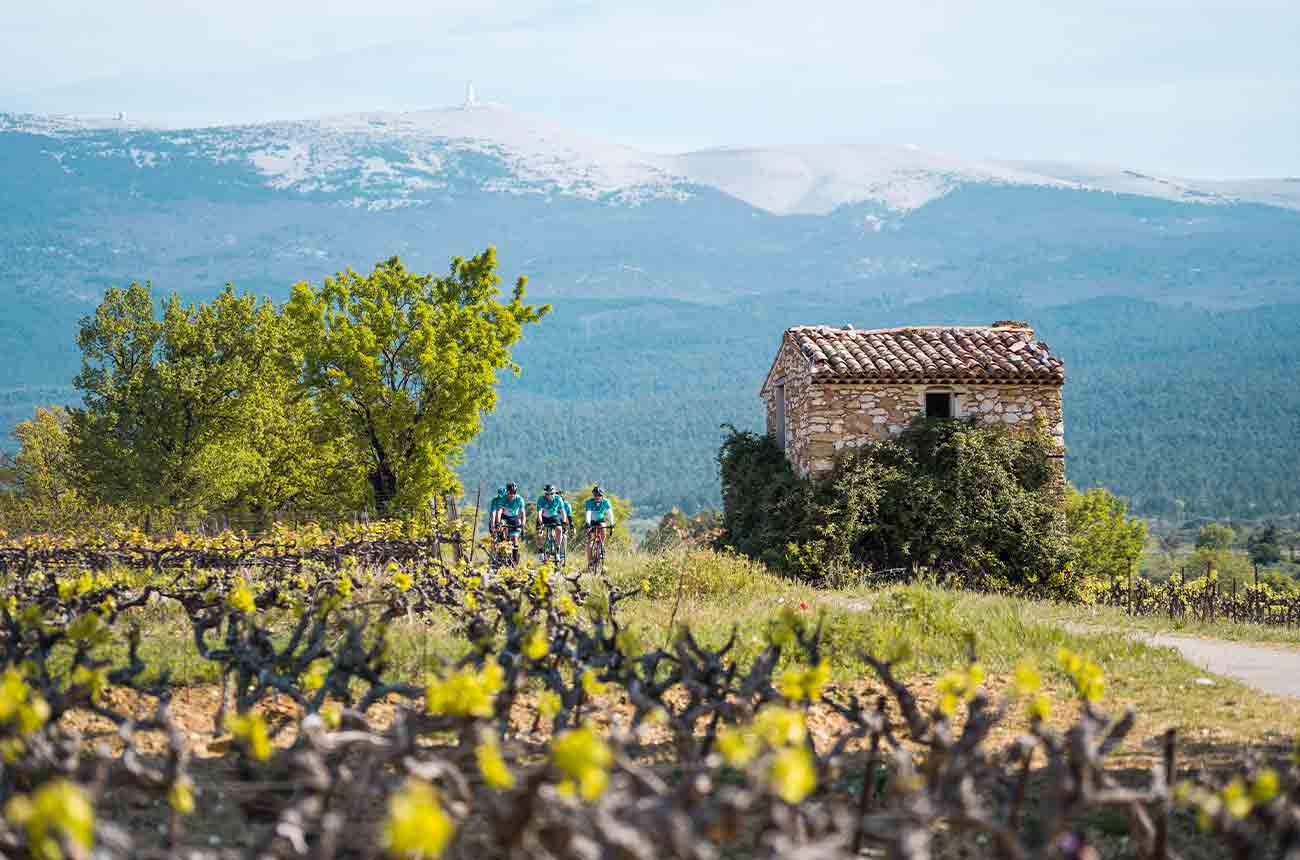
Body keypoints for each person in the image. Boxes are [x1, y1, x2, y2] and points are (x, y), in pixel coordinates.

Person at [535, 484, 568, 565]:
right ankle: (540, 552)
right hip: (543, 517)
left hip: (554, 517)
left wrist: (564, 523)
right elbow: (539, 513)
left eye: (551, 494)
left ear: (554, 493)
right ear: (545, 494)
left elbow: (563, 512)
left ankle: (557, 549)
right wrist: (541, 523)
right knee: (539, 534)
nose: (549, 496)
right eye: (547, 494)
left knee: (559, 529)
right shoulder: (541, 499)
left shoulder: (558, 499)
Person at [584, 485, 615, 569]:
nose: (597, 497)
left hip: (600, 520)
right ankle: (590, 562)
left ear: (602, 496)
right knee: (590, 542)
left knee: (603, 527)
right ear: (593, 495)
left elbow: (610, 514)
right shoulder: (589, 502)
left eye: (599, 495)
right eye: (595, 495)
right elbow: (588, 513)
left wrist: (612, 525)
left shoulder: (606, 502)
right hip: (591, 521)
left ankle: (601, 545)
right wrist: (588, 523)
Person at [498, 482, 526, 565]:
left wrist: (523, 524)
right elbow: (499, 511)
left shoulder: (519, 499)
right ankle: (501, 547)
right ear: (507, 492)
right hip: (505, 517)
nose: (512, 494)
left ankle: (514, 559)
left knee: (514, 539)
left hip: (514, 518)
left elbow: (522, 513)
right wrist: (498, 522)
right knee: (501, 526)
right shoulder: (503, 498)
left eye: (514, 492)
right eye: (510, 492)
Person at [556, 490, 574, 564]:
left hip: (564, 522)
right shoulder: (554, 503)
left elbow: (569, 517)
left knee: (564, 536)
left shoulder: (567, 505)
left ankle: (562, 555)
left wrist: (572, 527)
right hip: (555, 521)